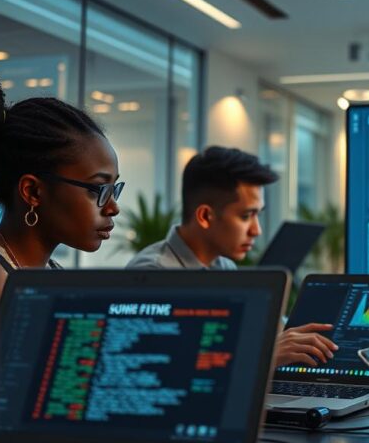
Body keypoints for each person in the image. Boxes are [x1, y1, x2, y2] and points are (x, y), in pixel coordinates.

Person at [126, 146, 338, 368]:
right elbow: (159, 369)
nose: (257, 230)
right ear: (206, 216)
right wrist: (265, 357)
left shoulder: (223, 266)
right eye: (246, 216)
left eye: (258, 214)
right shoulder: (151, 274)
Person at [0, 74, 122, 303]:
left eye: (114, 189)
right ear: (32, 192)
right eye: (98, 189)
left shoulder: (49, 274)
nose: (113, 207)